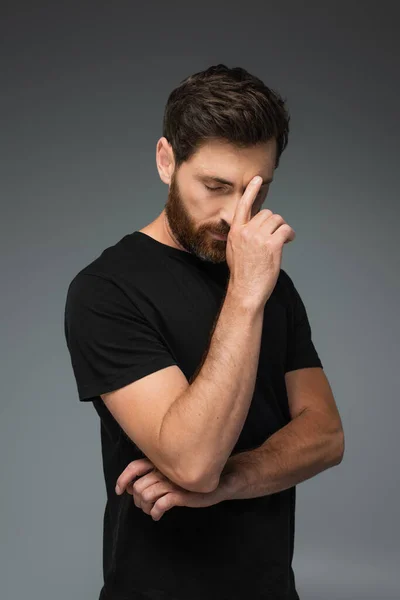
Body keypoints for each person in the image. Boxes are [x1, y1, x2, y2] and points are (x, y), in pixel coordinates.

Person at [64, 63, 344, 600]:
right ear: (166, 160)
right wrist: (244, 294)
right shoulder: (106, 290)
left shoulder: (270, 284)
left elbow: (327, 436)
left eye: (253, 192)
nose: (234, 215)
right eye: (215, 186)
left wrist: (231, 483)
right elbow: (192, 461)